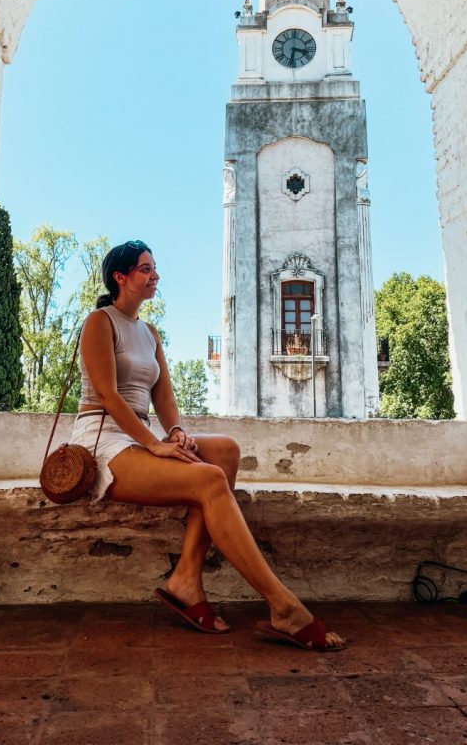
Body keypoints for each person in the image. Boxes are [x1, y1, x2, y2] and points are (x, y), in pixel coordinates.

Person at [70, 239, 344, 650]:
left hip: (138, 436)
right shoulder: (100, 322)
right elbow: (109, 396)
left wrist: (176, 431)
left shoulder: (149, 333)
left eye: (154, 267)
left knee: (225, 451)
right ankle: (283, 607)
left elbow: (162, 396)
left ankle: (186, 577)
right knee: (210, 481)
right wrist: (156, 445)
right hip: (103, 439)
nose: (155, 275)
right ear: (120, 277)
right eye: (145, 269)